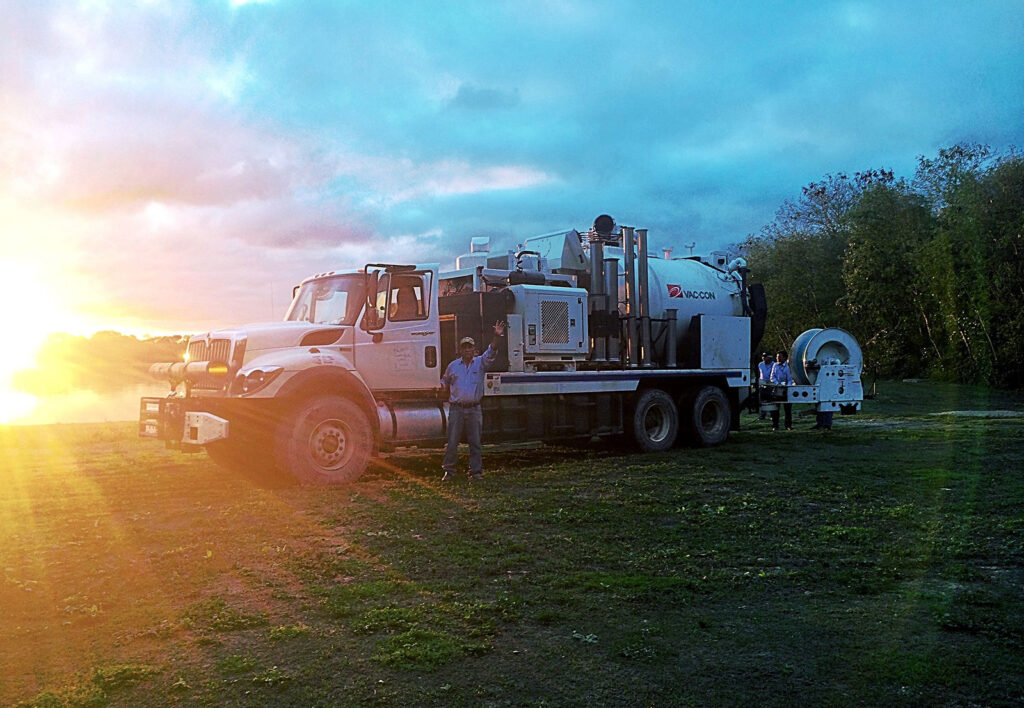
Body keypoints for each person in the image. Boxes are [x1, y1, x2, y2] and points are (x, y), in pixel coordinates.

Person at [441, 321, 506, 481]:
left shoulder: (481, 363)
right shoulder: (453, 366)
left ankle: (476, 472)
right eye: (464, 347)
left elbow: (492, 351)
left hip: (474, 409)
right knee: (452, 442)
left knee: (475, 442)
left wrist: (496, 336)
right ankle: (449, 471)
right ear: (460, 350)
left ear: (474, 349)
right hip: (456, 409)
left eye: (470, 347)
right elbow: (445, 382)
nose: (467, 349)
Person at [769, 350, 794, 431]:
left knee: (788, 409)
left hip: (786, 389)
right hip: (777, 388)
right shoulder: (775, 365)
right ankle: (775, 425)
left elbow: (790, 378)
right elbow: (772, 377)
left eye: (780, 357)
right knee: (775, 408)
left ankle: (788, 425)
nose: (778, 359)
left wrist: (787, 386)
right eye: (777, 357)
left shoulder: (788, 366)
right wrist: (777, 383)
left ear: (784, 358)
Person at [756, 351, 773, 420]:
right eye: (763, 357)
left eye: (765, 357)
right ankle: (762, 415)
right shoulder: (760, 365)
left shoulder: (773, 365)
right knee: (761, 400)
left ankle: (772, 415)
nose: (763, 358)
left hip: (770, 384)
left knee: (771, 400)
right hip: (762, 384)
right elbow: (758, 374)